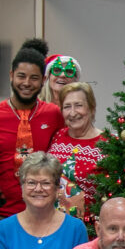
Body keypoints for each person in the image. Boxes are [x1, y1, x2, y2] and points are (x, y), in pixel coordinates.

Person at [0, 46, 64, 218]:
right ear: (11, 75)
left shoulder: (54, 114)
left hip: (45, 213)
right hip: (0, 215)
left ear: (43, 80)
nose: (26, 83)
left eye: (34, 78)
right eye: (21, 76)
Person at [47, 82, 105, 222]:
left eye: (79, 105)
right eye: (67, 106)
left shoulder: (107, 143)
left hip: (89, 229)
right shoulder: (57, 136)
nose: (73, 113)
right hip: (52, 225)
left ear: (91, 108)